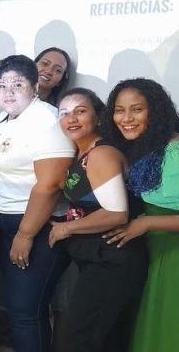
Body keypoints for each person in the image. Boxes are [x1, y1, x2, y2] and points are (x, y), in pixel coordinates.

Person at [0, 55, 75, 352]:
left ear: (34, 86)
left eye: (17, 84)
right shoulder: (0, 118)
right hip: (4, 221)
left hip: (36, 226)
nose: (8, 92)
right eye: (1, 85)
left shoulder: (48, 119)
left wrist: (25, 234)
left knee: (26, 311)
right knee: (17, 308)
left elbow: (50, 185)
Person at [48, 88, 147, 352]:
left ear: (98, 116)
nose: (72, 119)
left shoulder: (101, 154)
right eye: (65, 113)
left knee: (76, 340)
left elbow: (117, 213)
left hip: (113, 260)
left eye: (80, 111)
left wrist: (66, 228)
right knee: (104, 338)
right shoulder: (81, 152)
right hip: (99, 258)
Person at [103, 78, 179, 352]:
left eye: (137, 110)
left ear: (155, 111)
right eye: (119, 110)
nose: (126, 118)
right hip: (158, 252)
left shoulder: (176, 150)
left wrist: (148, 222)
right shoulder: (144, 148)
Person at [0, 47, 72, 130]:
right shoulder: (3, 109)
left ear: (61, 81)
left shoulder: (53, 116)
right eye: (45, 64)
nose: (48, 71)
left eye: (58, 70)